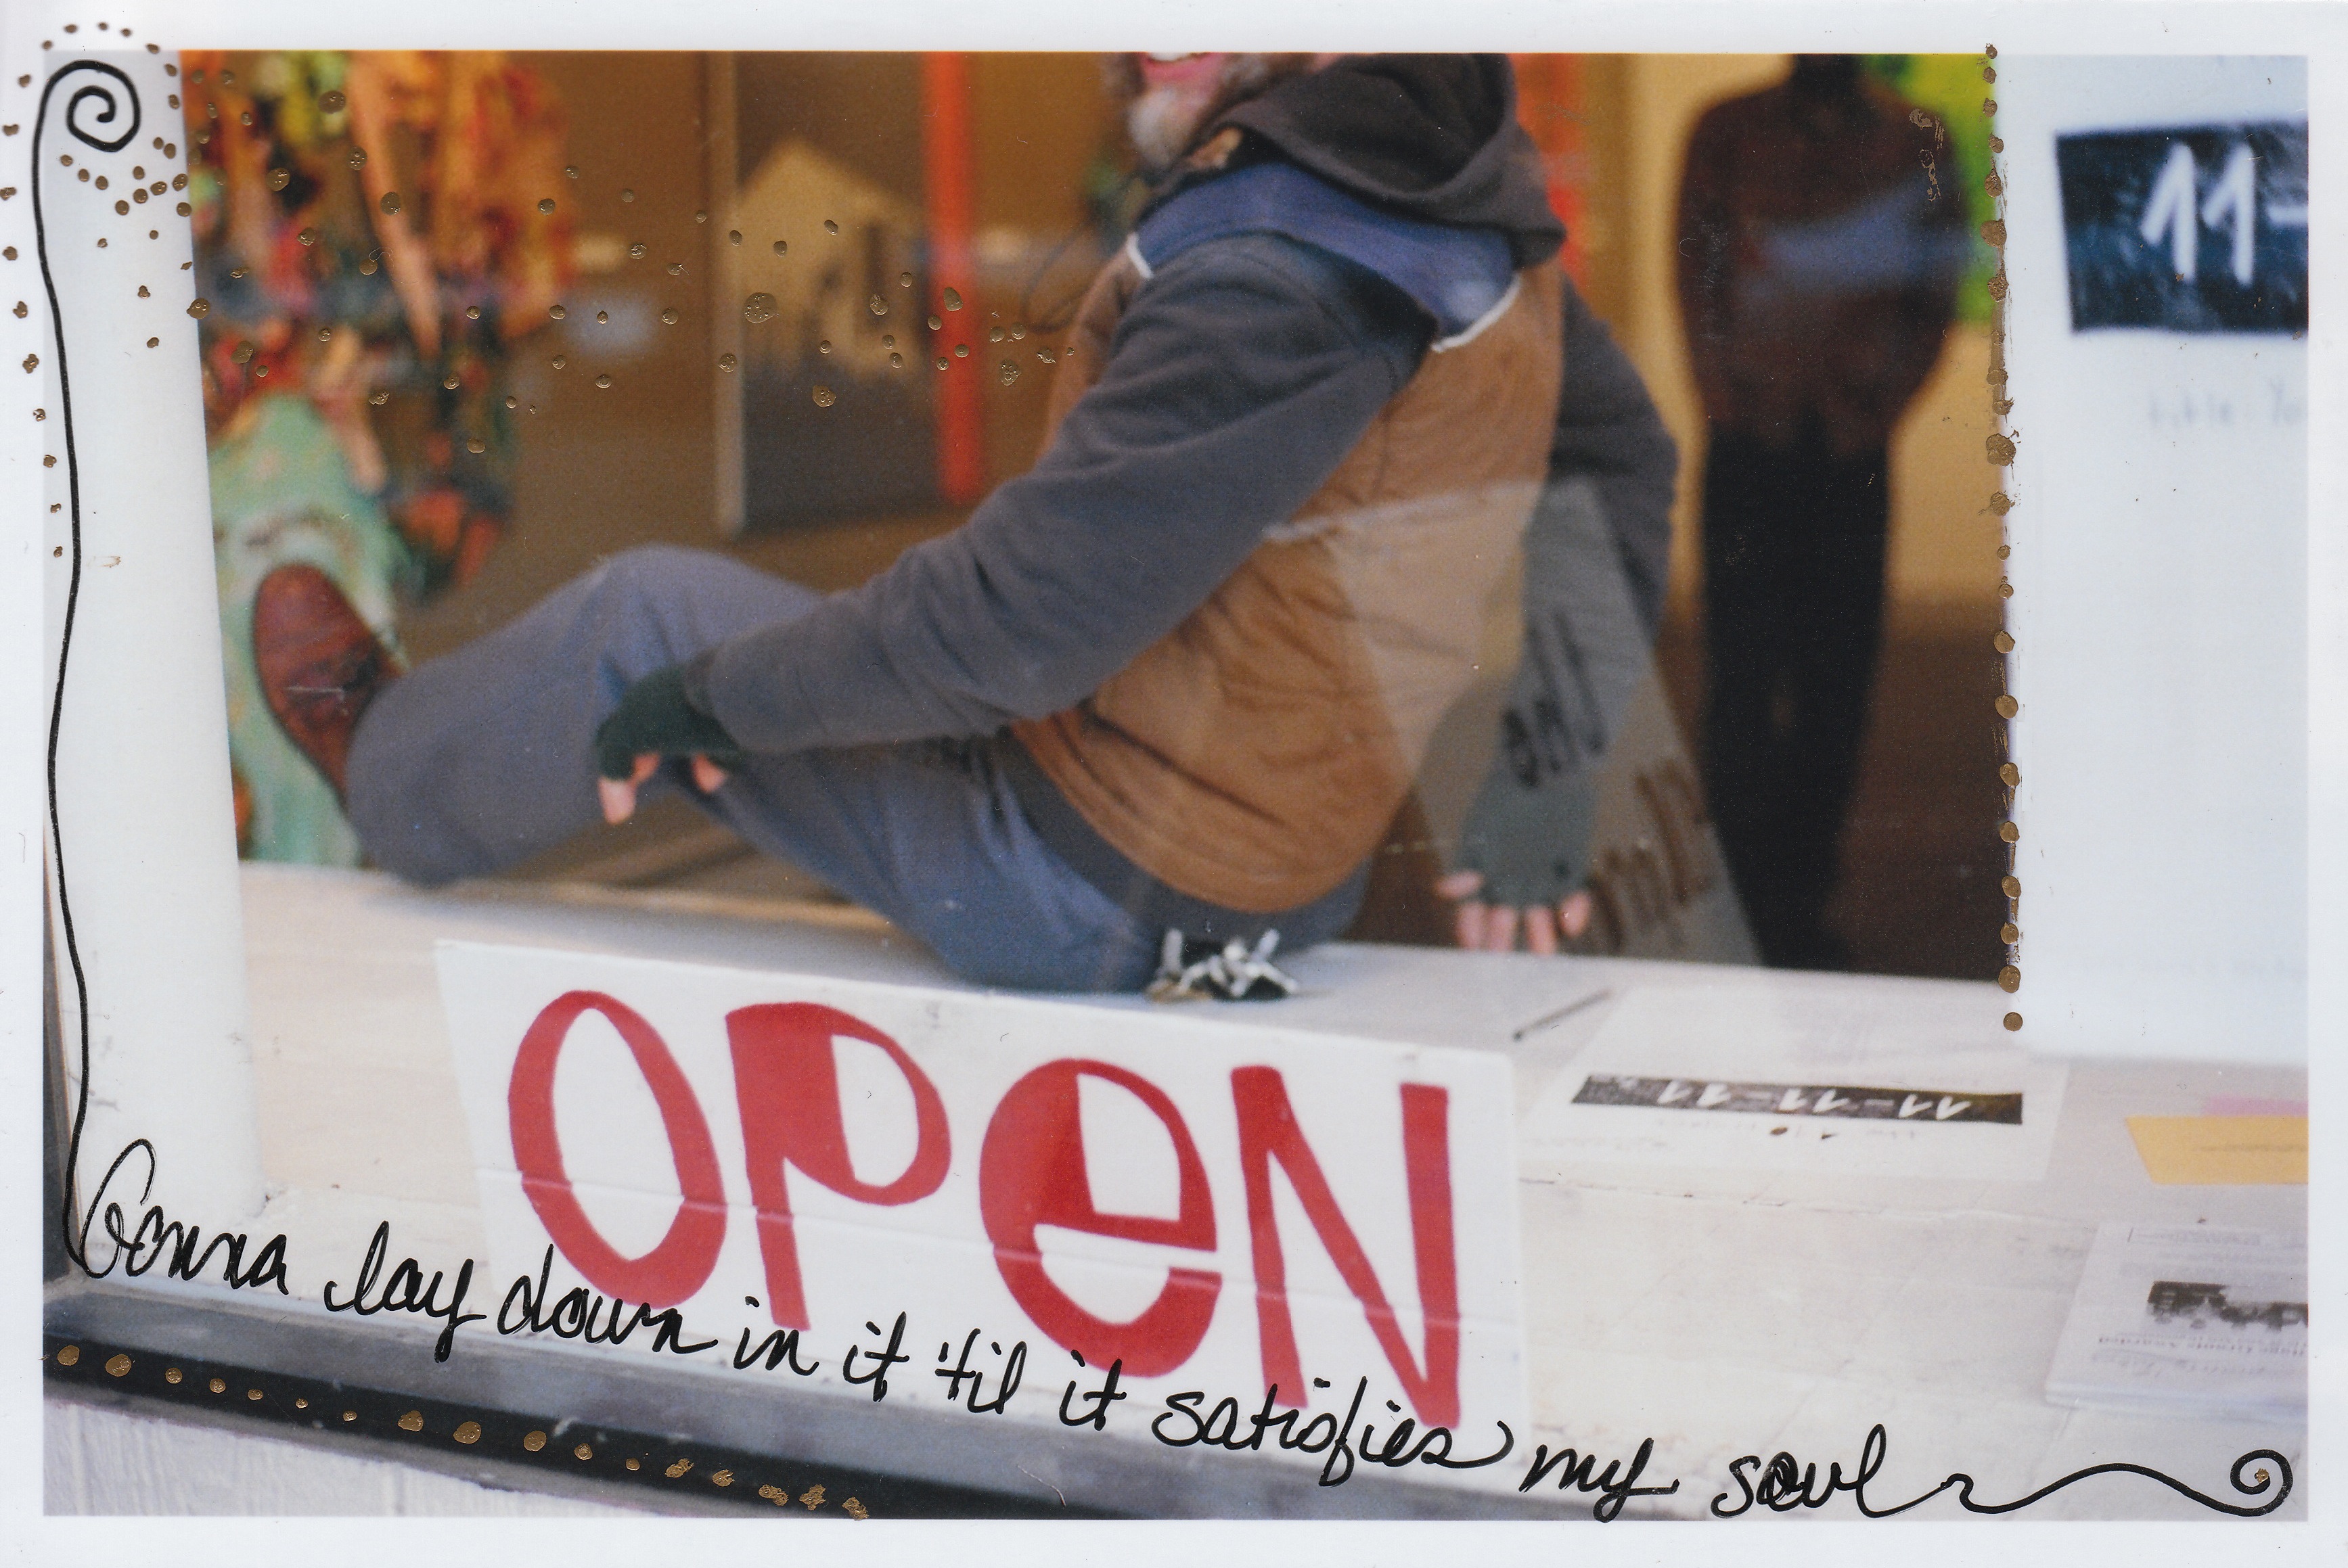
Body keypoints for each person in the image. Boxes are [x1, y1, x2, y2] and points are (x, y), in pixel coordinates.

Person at [254, 52, 1669, 994]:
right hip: (1279, 878)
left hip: (1084, 888)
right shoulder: (1462, 219)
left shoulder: (1273, 262)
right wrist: (1546, 778)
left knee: (647, 628)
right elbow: (1623, 455)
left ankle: (384, 775)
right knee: (823, 651)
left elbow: (1017, 626)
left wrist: (702, 701)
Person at [1675, 54, 1966, 969]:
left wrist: (1878, 405)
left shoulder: (1917, 142)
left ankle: (1800, 901)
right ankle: (1742, 901)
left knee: (1835, 685)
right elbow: (1695, 267)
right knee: (1740, 678)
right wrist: (1723, 396)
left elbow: (1936, 288)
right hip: (1751, 436)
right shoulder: (1728, 130)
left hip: (1846, 444)